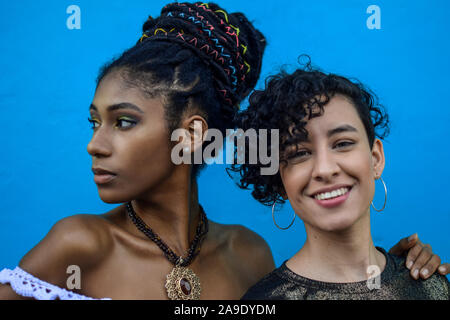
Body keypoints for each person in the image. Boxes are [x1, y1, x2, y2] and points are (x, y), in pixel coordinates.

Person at [0, 3, 446, 300]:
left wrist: (403, 276)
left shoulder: (250, 256)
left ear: (192, 134)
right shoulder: (78, 244)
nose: (95, 144)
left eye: (124, 121)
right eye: (95, 122)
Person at [231, 62, 449, 299]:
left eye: (343, 143)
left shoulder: (430, 284)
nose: (325, 169)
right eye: (298, 153)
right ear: (280, 182)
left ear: (375, 158)